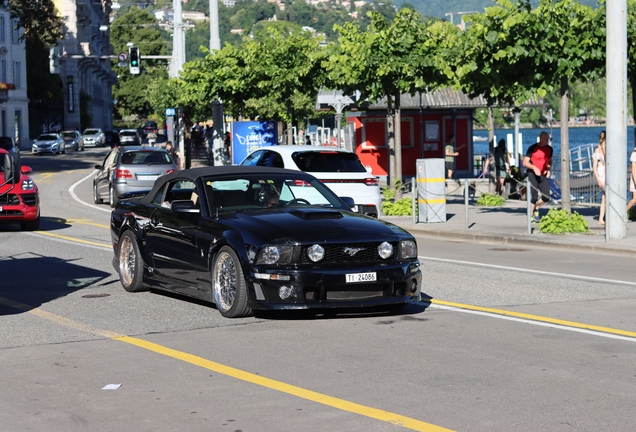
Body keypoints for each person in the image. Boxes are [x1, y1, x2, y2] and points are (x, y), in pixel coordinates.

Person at [523, 131, 553, 223]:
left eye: (548, 138)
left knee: (546, 196)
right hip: (532, 173)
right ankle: (531, 216)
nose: (547, 140)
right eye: (546, 138)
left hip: (542, 174)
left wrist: (548, 169)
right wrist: (534, 167)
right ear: (540, 138)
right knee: (534, 196)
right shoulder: (532, 148)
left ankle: (536, 208)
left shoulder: (549, 149)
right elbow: (525, 162)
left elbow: (550, 161)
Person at [592, 130, 606, 226]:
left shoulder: (608, 149)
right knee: (605, 198)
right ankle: (601, 219)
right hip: (602, 175)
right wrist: (598, 179)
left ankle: (602, 218)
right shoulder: (598, 150)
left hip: (607, 174)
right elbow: (594, 167)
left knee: (605, 198)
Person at [627, 147, 636, 217]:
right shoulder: (634, 154)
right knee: (634, 199)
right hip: (635, 179)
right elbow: (633, 170)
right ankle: (623, 212)